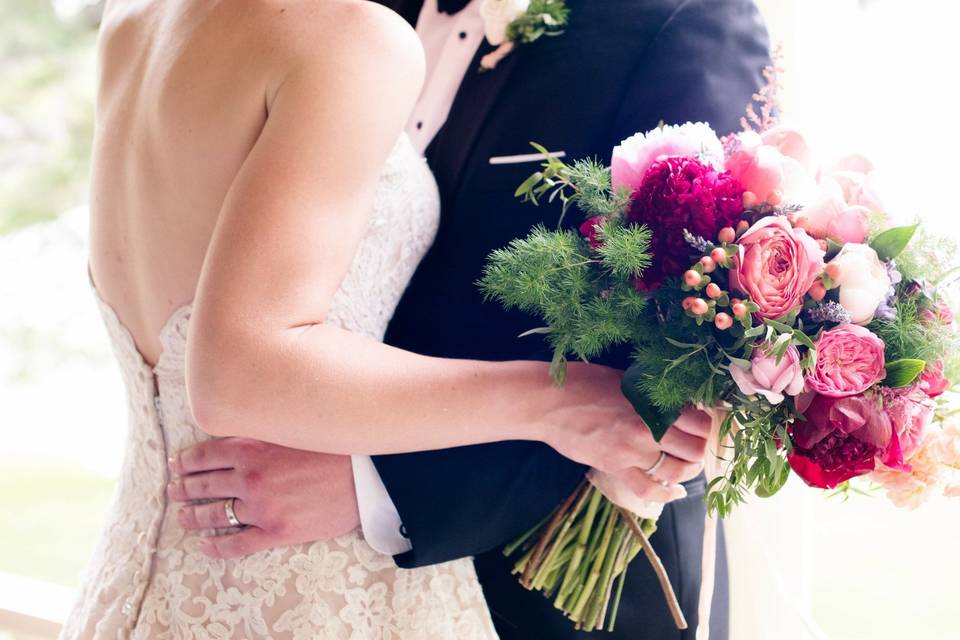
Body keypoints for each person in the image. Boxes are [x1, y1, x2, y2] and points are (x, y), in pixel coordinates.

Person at [64, 0, 711, 637]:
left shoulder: (135, 22)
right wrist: (555, 402)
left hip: (139, 579)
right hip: (316, 598)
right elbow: (235, 376)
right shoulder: (353, 36)